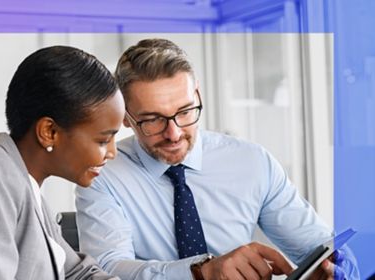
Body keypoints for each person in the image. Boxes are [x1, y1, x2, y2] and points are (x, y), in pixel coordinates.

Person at [75, 38, 360, 280]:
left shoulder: (251, 161)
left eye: (185, 111)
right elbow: (106, 270)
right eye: (152, 120)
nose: (174, 134)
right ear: (125, 116)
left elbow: (318, 245)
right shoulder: (102, 173)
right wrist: (201, 272)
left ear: (197, 94)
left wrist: (336, 267)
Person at [0, 45, 124, 279]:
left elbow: (77, 272)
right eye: (103, 140)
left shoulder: (26, 186)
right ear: (49, 132)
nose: (112, 152)